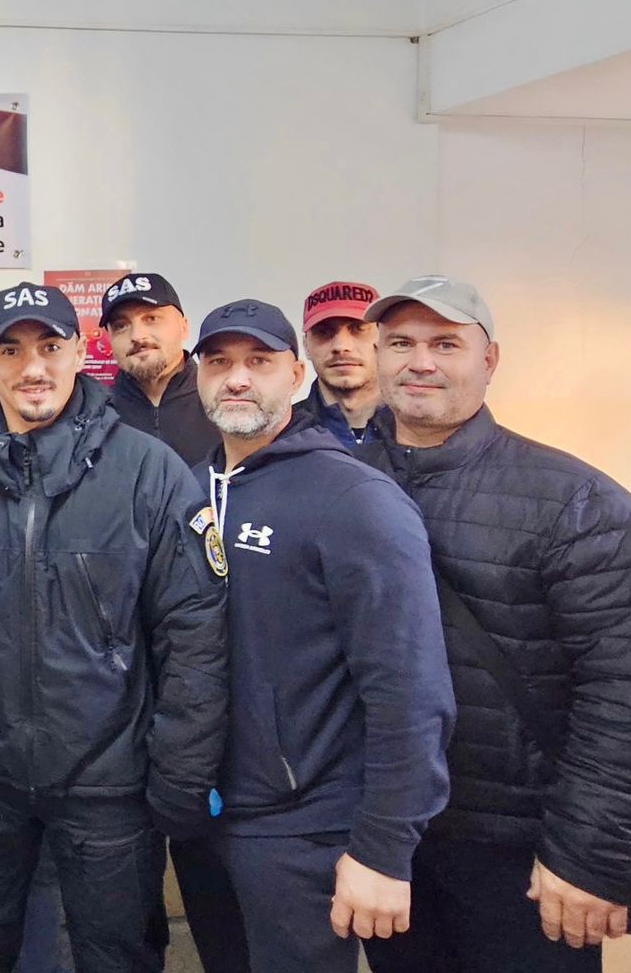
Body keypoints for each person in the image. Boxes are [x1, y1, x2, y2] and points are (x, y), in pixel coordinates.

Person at [355, 277, 631, 973]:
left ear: (489, 360)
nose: (420, 362)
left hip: (528, 852)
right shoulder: (340, 484)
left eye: (445, 344)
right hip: (390, 838)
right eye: (401, 343)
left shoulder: (575, 502)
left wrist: (585, 852)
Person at [0, 281, 228, 973]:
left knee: (118, 955)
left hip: (111, 782)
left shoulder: (148, 471)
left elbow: (194, 634)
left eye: (49, 346)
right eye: (11, 350)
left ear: (79, 353)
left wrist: (179, 773)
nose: (33, 367)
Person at [169, 299, 454, 972]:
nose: (237, 378)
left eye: (259, 361)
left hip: (304, 823)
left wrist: (385, 846)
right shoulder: (185, 490)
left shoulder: (352, 498)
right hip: (203, 812)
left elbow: (409, 687)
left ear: (296, 376)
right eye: (219, 362)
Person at [101, 271, 220, 463]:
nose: (137, 336)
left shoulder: (223, 401)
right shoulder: (97, 414)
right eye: (121, 326)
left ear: (184, 327)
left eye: (151, 318)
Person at [292, 282, 390, 448]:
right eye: (323, 332)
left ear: (384, 338)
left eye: (358, 328)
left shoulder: (422, 426)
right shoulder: (282, 434)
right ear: (306, 346)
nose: (341, 346)